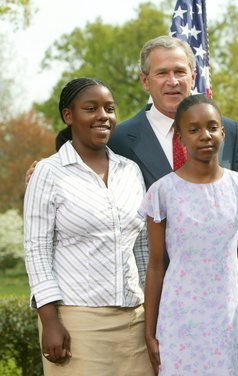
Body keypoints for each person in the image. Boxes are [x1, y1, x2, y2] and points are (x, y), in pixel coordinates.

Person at [23, 78, 152, 375]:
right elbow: (36, 250)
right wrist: (51, 321)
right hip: (77, 321)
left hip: (135, 321)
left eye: (109, 108)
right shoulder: (48, 172)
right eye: (90, 108)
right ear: (69, 116)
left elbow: (142, 247)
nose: (102, 115)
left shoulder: (129, 171)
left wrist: (151, 314)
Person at [140, 94, 238, 375]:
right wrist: (150, 331)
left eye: (211, 127)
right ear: (180, 138)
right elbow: (156, 265)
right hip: (179, 319)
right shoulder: (162, 192)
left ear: (223, 132)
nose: (204, 135)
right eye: (193, 130)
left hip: (227, 317)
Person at [109, 35, 238, 189]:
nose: (173, 82)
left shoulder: (229, 130)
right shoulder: (119, 140)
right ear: (145, 81)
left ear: (193, 77)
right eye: (162, 73)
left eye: (180, 72)